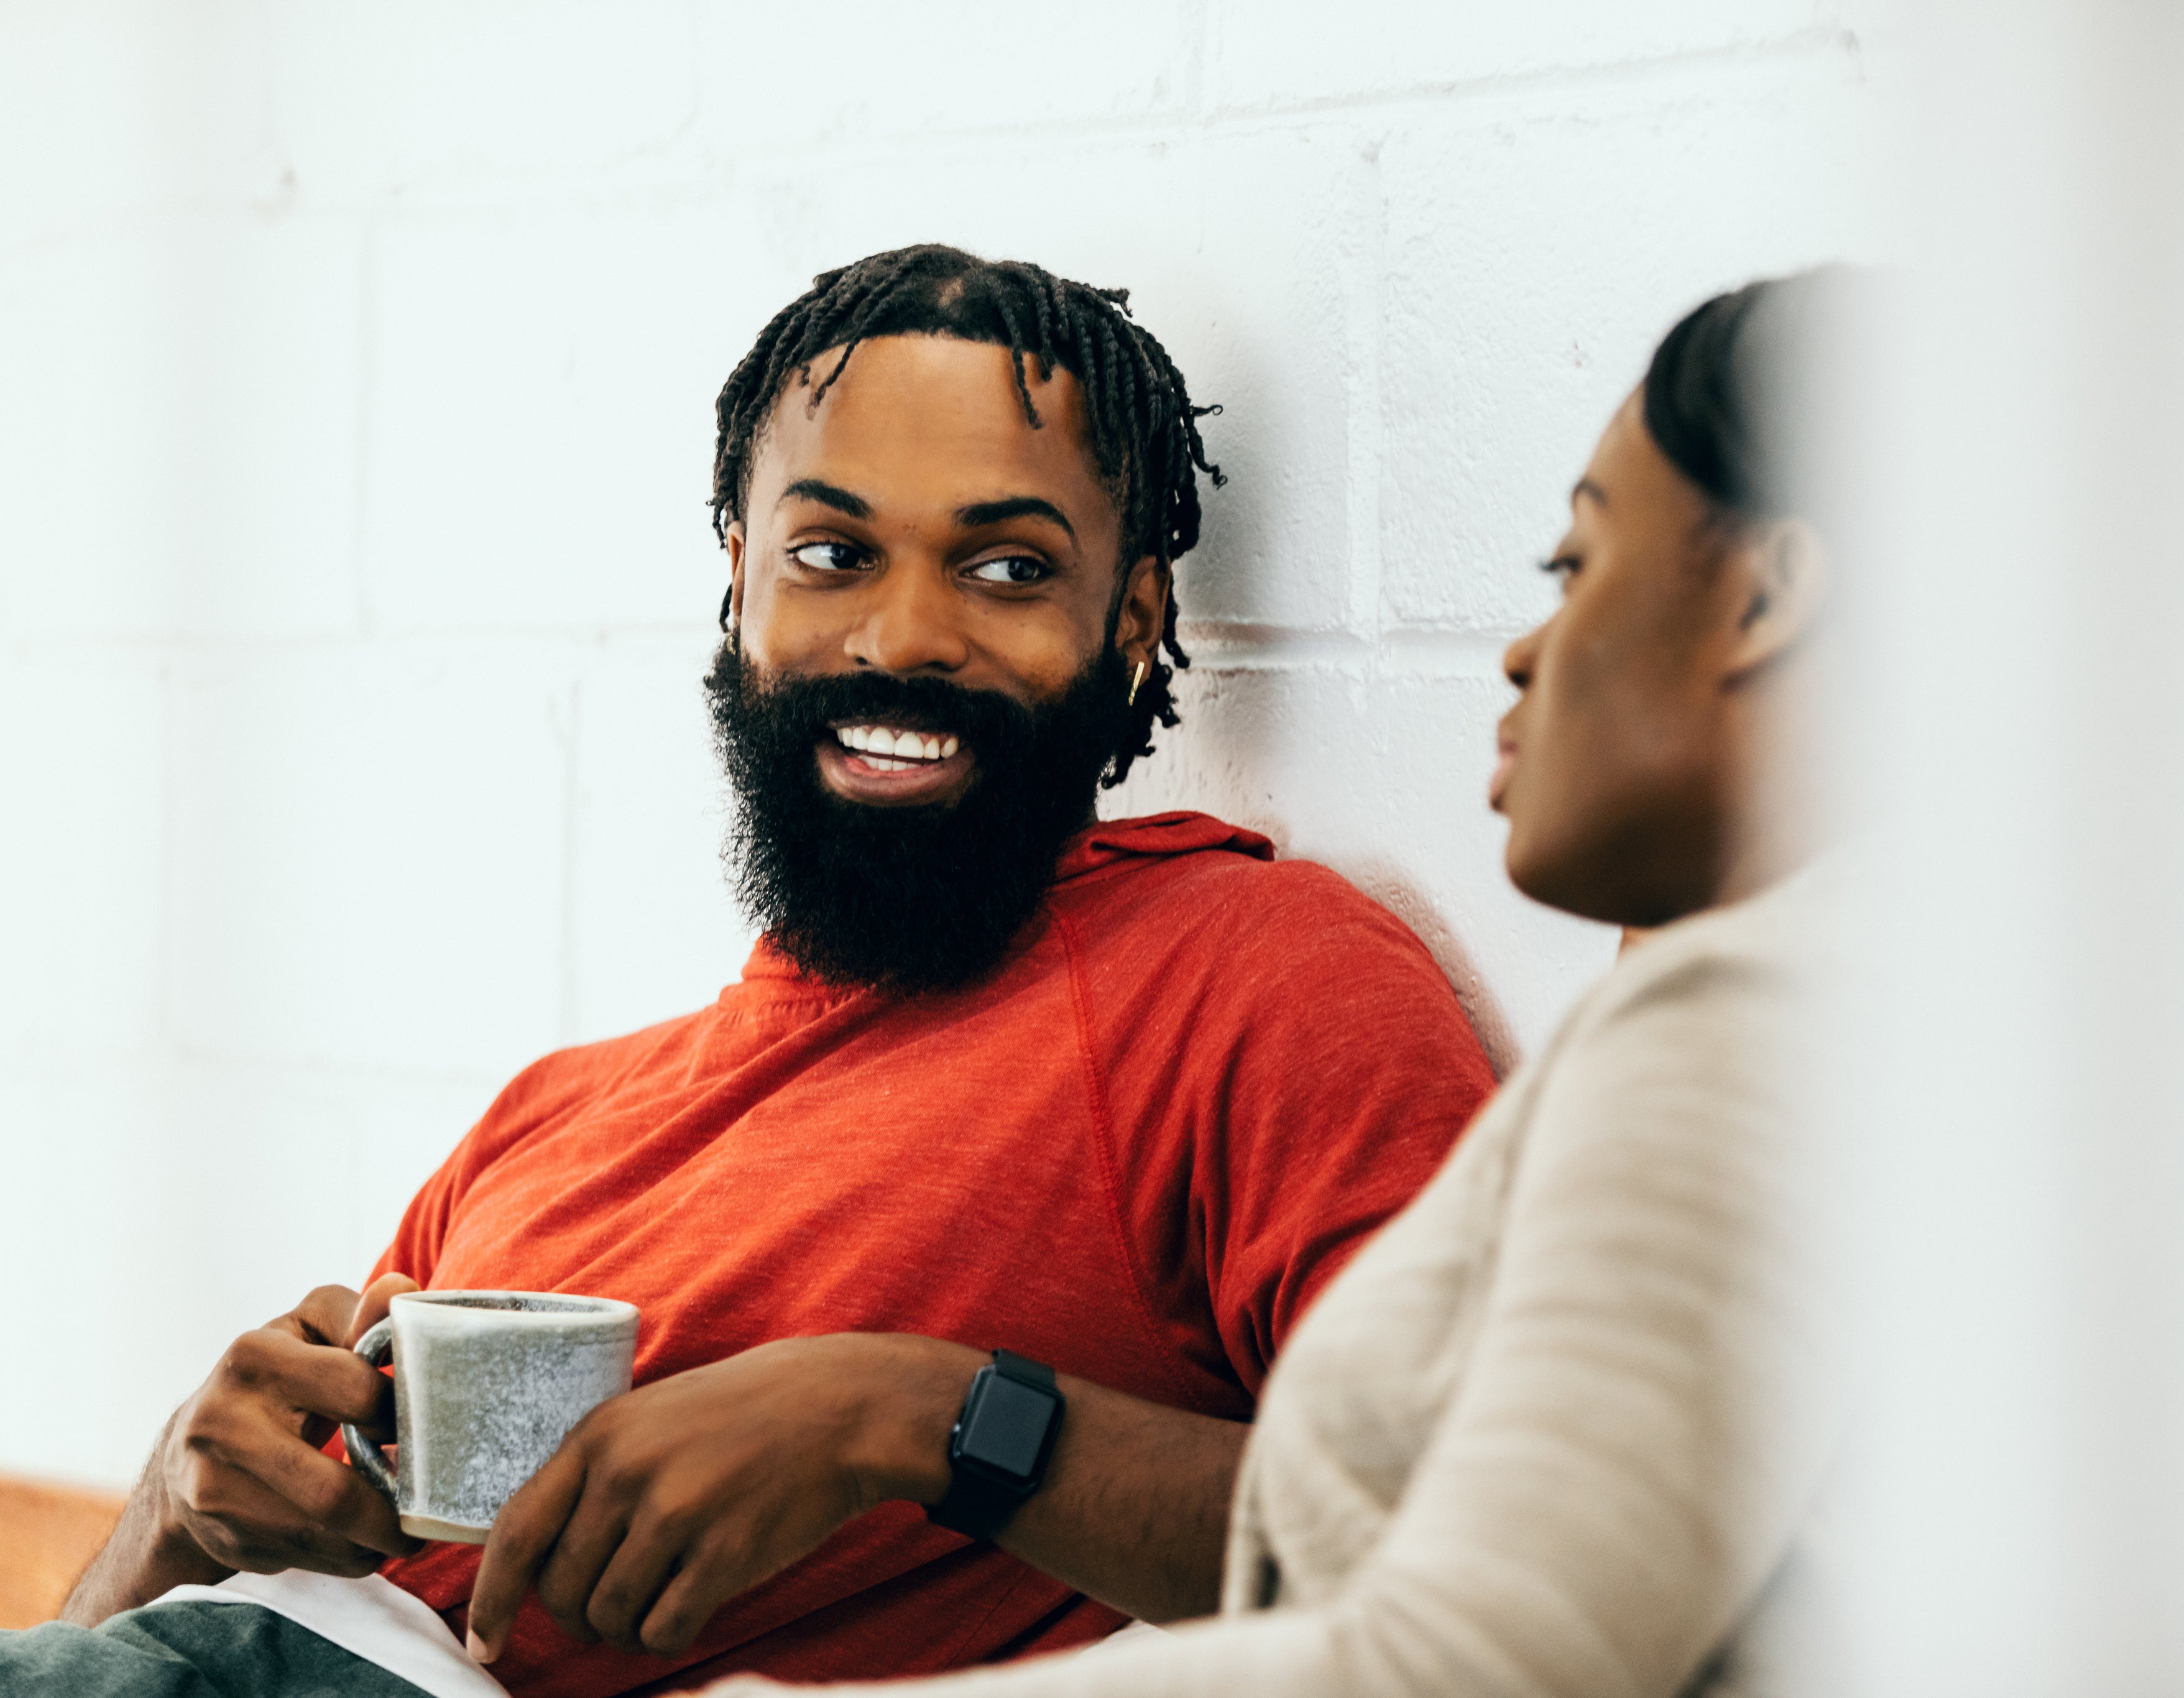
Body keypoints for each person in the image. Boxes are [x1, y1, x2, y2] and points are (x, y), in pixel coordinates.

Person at [12, 245, 1495, 1695]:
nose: (902, 635)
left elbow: (1491, 1548)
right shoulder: (552, 1115)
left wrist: (910, 1412)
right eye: (833, 554)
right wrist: (171, 1510)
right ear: (741, 583)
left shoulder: (1255, 977)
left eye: (1005, 567)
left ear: (1132, 618)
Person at [713, 266, 1869, 1698]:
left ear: (1766, 600)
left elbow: (1469, 1654)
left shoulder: (1765, 1026)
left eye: (1574, 568)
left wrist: (910, 1428)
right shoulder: (1747, 1012)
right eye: (831, 553)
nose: (1519, 649)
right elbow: (1397, 1562)